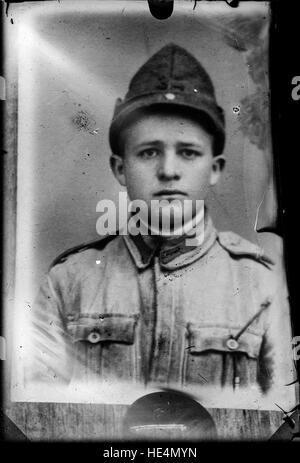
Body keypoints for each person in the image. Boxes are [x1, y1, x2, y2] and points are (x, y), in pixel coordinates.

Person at [29, 43, 293, 396]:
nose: (168, 171)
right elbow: (39, 417)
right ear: (120, 168)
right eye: (149, 152)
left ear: (215, 169)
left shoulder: (263, 286)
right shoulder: (68, 282)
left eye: (188, 153)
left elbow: (281, 420)